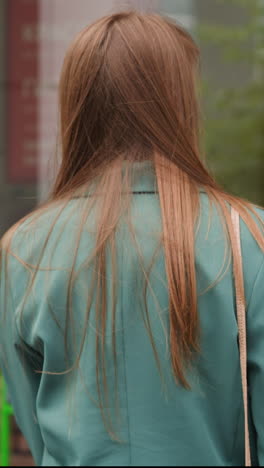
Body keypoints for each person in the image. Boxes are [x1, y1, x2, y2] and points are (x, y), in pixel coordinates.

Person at [0, 10, 263, 467]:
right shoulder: (250, 237)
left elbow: (37, 431)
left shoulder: (22, 252)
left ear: (76, 106)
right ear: (180, 105)